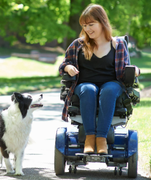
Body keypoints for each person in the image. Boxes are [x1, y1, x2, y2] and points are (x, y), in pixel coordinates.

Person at [59, 4, 140, 154]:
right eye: (84, 25)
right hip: (84, 85)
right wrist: (67, 68)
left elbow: (125, 69)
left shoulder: (119, 44)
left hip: (113, 85)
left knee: (108, 90)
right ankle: (90, 137)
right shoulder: (78, 45)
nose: (88, 29)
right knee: (89, 89)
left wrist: (135, 70)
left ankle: (101, 138)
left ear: (102, 22)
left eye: (91, 24)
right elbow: (64, 64)